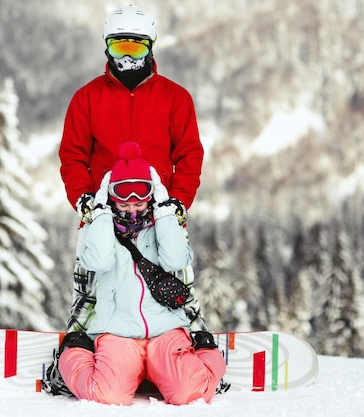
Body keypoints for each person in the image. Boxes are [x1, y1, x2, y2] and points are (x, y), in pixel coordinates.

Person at [58, 4, 206, 336]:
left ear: (150, 47)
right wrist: (85, 200)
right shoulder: (87, 99)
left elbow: (189, 155)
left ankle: (191, 340)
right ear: (106, 48)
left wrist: (178, 201)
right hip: (104, 211)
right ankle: (81, 343)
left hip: (159, 210)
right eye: (118, 46)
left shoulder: (175, 98)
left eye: (135, 46)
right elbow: (72, 156)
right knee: (95, 285)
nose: (127, 56)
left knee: (173, 277)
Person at [53, 142, 226, 405]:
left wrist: (166, 210)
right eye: (123, 199)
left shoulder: (164, 224)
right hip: (117, 333)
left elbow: (176, 260)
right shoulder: (100, 226)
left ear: (151, 194)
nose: (132, 208)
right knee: (106, 396)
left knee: (191, 394)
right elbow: (97, 261)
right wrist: (99, 212)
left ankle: (204, 354)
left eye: (141, 197)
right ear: (111, 196)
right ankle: (73, 354)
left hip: (165, 331)